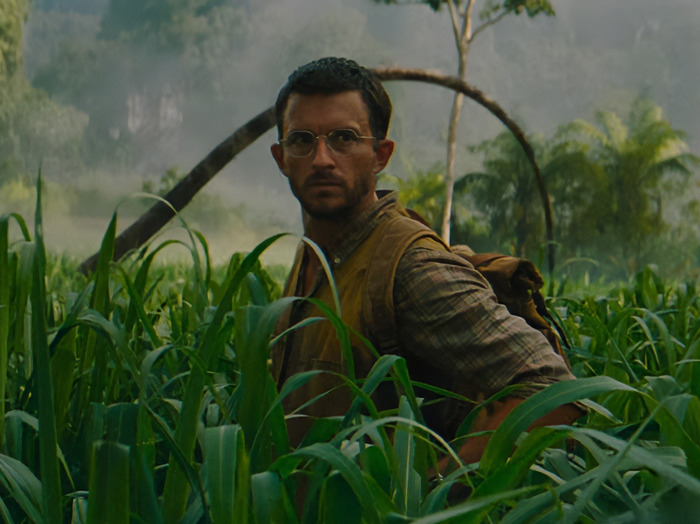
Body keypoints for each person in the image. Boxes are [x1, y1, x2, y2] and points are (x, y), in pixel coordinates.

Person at [269, 57, 582, 468]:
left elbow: (552, 388)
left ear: (381, 155)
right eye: (302, 140)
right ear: (281, 158)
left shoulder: (408, 267)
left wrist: (436, 493)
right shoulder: (312, 255)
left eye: (344, 138)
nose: (322, 158)